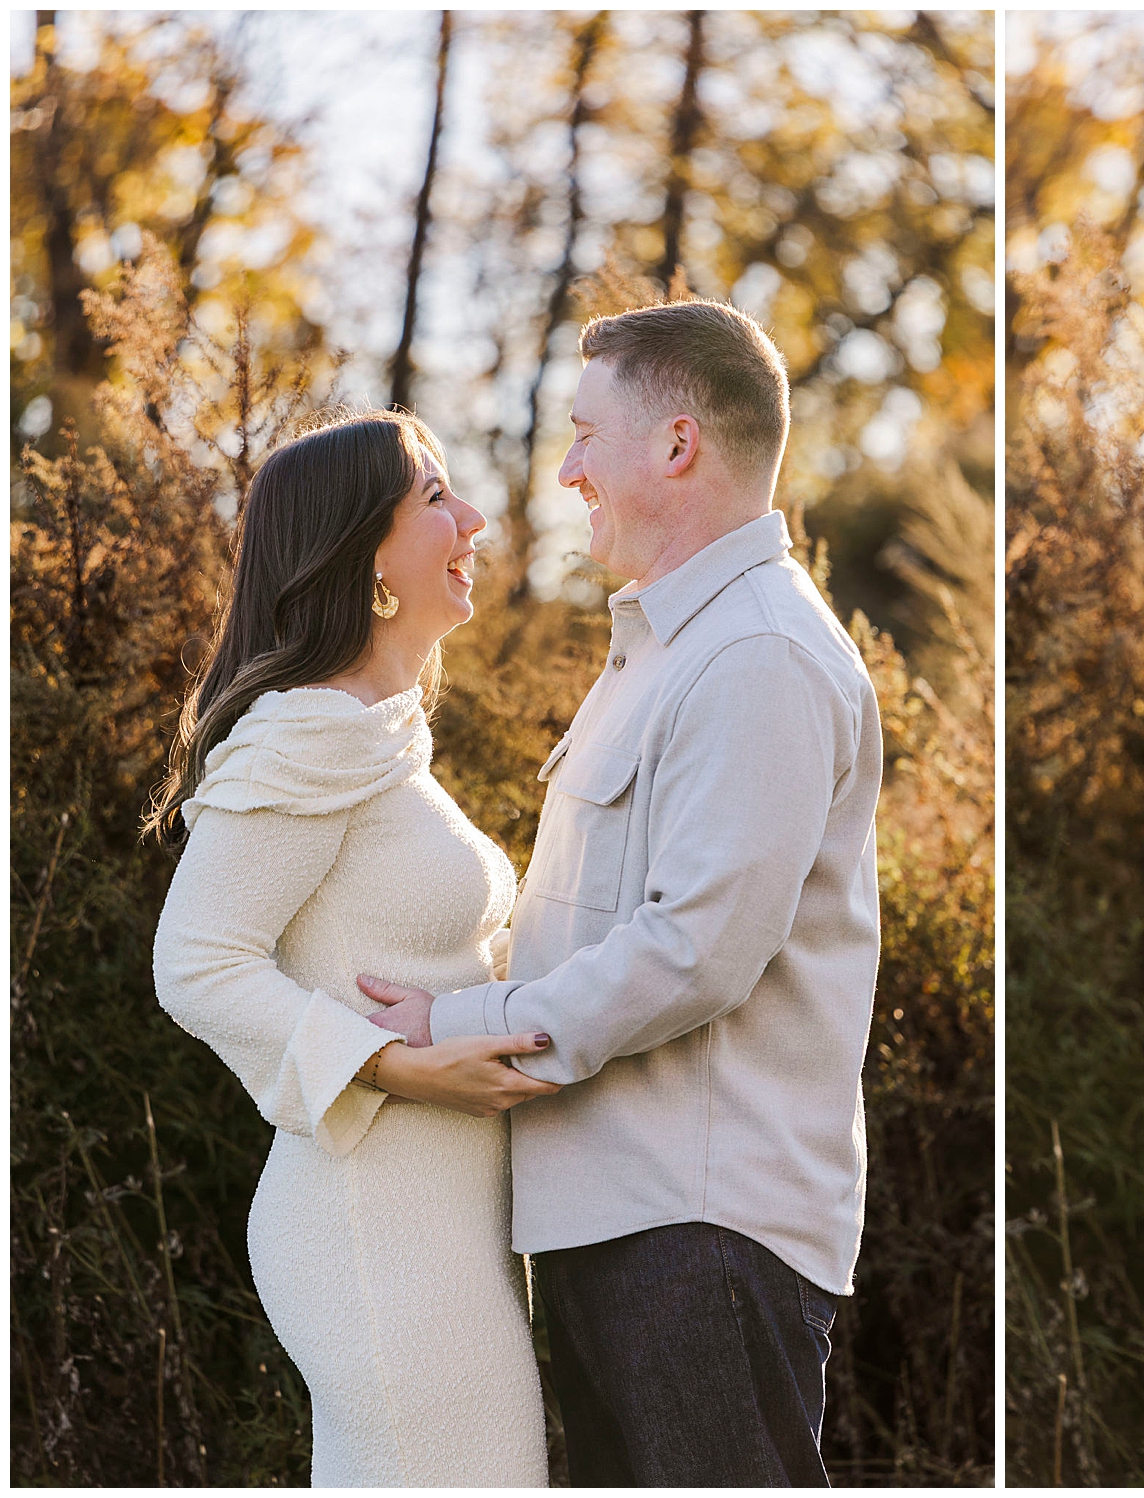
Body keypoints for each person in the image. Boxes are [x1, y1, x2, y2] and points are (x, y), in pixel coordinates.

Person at [359, 297, 884, 1486]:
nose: (568, 468)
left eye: (587, 433)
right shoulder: (671, 648)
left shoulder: (758, 653)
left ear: (678, 443)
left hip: (697, 1238)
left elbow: (698, 950)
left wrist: (453, 1024)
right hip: (625, 1223)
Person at [150, 411, 559, 1487]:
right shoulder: (307, 730)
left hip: (442, 1223)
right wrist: (395, 1063)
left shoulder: (383, 739)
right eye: (434, 498)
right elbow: (196, 961)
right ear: (362, 553)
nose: (473, 519)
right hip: (372, 1225)